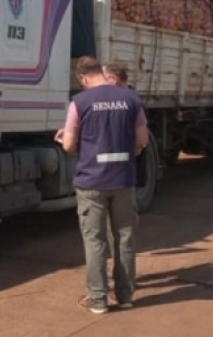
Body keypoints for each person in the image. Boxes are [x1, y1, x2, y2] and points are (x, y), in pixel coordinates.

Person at [55, 56, 149, 314]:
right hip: (123, 180)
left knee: (95, 241)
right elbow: (141, 140)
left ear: (83, 77)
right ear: (100, 71)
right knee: (125, 238)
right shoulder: (131, 100)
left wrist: (66, 138)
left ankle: (98, 300)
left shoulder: (80, 102)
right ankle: (126, 296)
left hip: (91, 182)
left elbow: (70, 145)